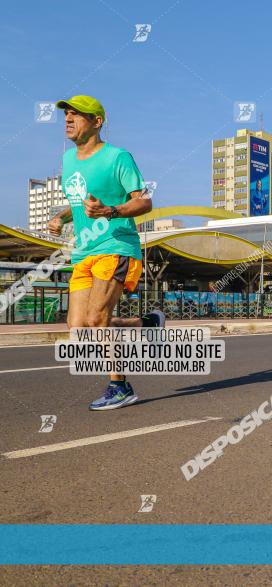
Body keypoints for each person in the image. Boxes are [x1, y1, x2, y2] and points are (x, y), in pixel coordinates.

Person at [47, 95, 164, 410]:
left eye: (77, 115)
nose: (69, 120)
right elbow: (81, 204)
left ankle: (120, 386)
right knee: (78, 326)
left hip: (116, 245)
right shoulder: (69, 161)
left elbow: (144, 202)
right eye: (67, 115)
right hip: (83, 251)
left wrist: (110, 211)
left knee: (97, 318)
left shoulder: (118, 157)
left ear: (97, 122)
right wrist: (62, 216)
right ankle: (146, 325)